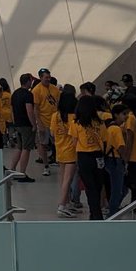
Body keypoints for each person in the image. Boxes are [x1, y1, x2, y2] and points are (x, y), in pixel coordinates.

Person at [69, 97, 108, 220]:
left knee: (89, 187)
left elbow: (74, 143)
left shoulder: (76, 124)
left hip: (84, 156)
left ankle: (95, 213)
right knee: (98, 185)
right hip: (98, 156)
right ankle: (96, 212)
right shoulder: (100, 123)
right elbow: (105, 140)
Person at [52, 88, 80, 218]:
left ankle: (67, 203)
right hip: (71, 151)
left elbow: (52, 133)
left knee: (63, 179)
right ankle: (62, 205)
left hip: (59, 150)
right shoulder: (73, 118)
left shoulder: (55, 115)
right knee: (68, 180)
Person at [8, 73, 37, 182]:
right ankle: (22, 173)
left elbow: (12, 110)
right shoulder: (28, 95)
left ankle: (12, 169)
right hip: (26, 124)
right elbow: (29, 110)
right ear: (28, 81)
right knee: (26, 148)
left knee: (19, 147)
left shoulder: (15, 94)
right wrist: (33, 124)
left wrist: (14, 123)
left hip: (18, 124)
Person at [32, 68, 58, 177]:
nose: (48, 79)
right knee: (43, 144)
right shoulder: (36, 90)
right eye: (46, 77)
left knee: (57, 143)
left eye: (49, 77)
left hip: (55, 122)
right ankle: (46, 166)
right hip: (44, 121)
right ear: (40, 78)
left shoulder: (55, 89)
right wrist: (39, 124)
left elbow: (58, 104)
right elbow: (36, 108)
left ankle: (59, 160)